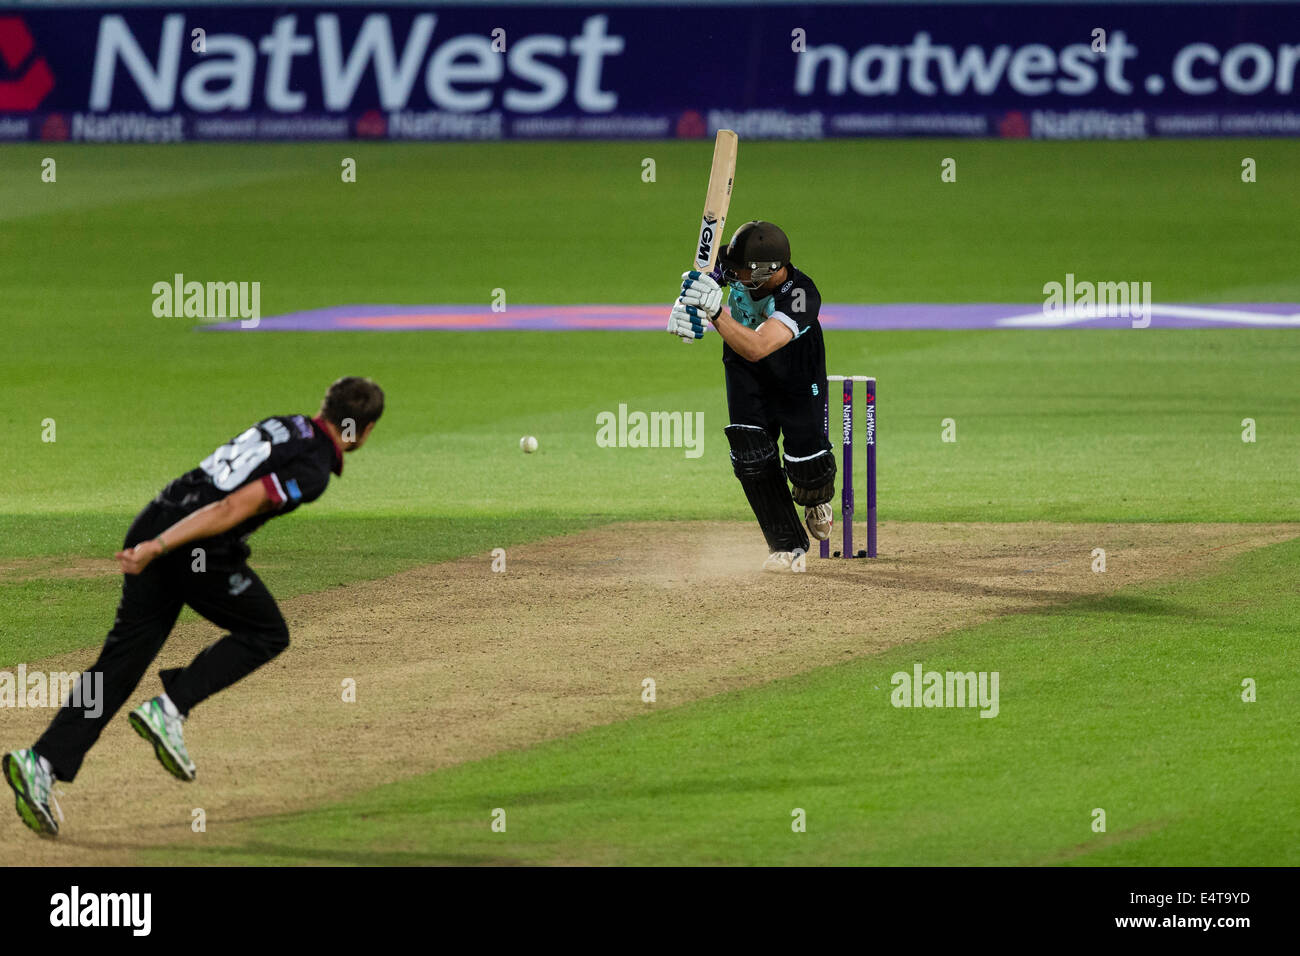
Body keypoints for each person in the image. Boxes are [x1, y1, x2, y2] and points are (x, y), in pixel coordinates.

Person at [3, 376, 384, 837]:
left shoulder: (287, 426)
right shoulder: (314, 469)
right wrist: (160, 548)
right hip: (189, 546)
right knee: (267, 633)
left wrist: (155, 538)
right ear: (363, 430)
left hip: (158, 516)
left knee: (121, 662)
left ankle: (41, 760)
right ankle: (172, 707)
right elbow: (229, 509)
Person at [668, 220, 835, 571]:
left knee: (807, 465)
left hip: (794, 368)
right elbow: (706, 280)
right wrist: (687, 302)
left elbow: (760, 346)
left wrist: (714, 313)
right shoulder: (737, 268)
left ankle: (815, 499)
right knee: (750, 454)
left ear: (763, 271)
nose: (732, 272)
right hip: (743, 363)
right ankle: (786, 547)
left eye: (739, 269)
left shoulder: (802, 295)